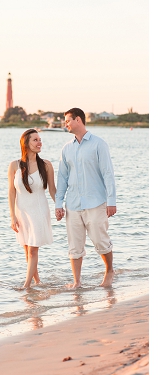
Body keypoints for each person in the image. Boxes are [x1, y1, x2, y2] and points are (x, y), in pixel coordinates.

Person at [55, 108, 116, 289]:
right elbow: (62, 177)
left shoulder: (99, 144)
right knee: (74, 246)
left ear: (78, 120)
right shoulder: (66, 149)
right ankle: (77, 282)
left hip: (96, 202)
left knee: (100, 241)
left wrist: (111, 201)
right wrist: (59, 203)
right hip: (73, 204)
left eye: (68, 120)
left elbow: (108, 174)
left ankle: (109, 270)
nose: (65, 124)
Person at [8, 128, 57, 289]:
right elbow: (11, 191)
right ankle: (37, 281)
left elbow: (52, 190)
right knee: (27, 248)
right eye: (35, 140)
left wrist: (60, 206)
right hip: (21, 211)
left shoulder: (46, 165)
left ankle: (26, 285)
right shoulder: (14, 165)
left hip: (39, 211)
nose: (39, 142)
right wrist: (12, 216)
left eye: (40, 139)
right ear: (26, 144)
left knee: (33, 250)